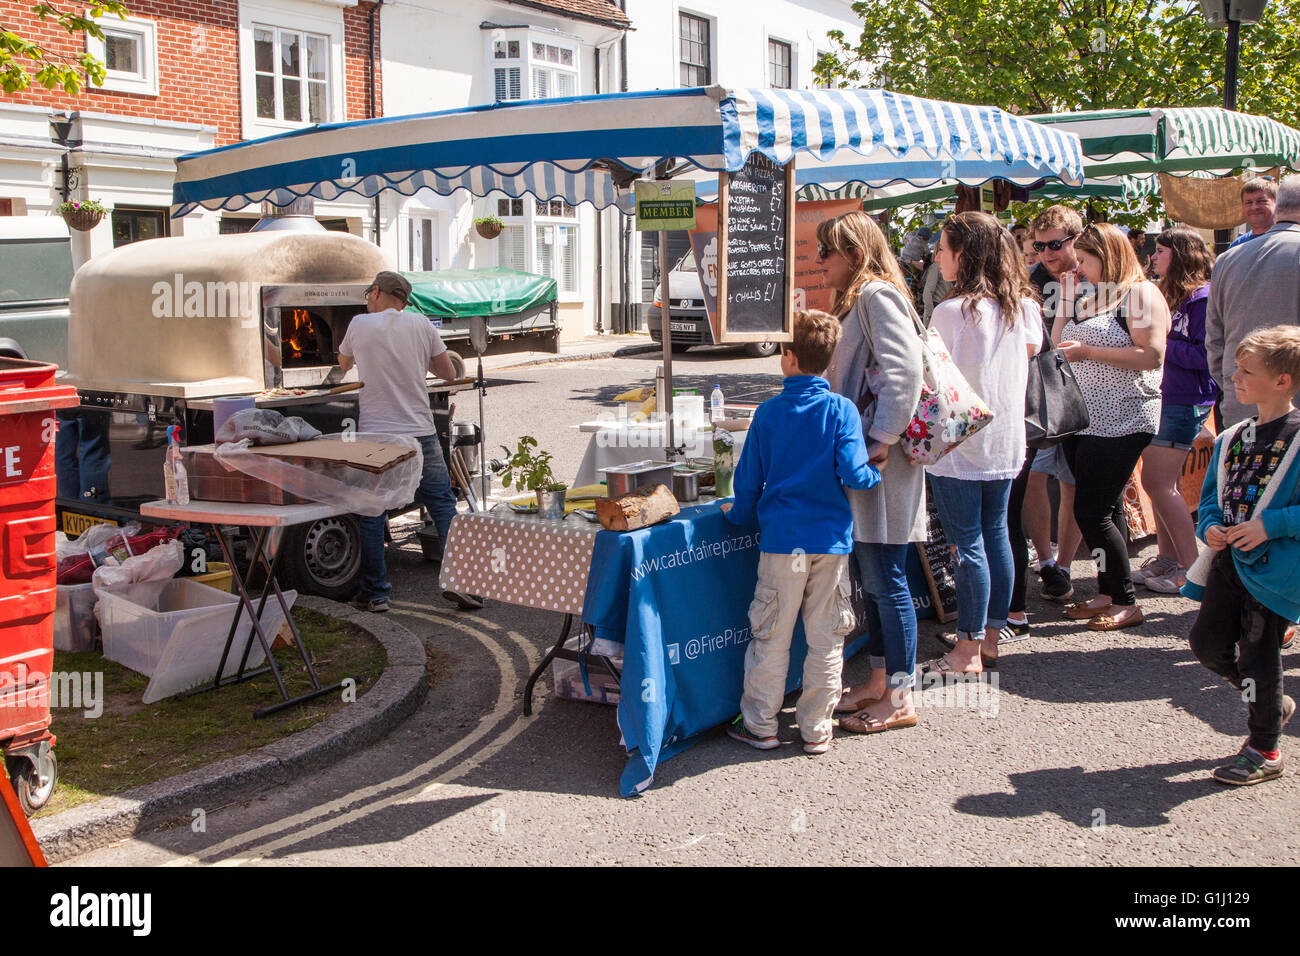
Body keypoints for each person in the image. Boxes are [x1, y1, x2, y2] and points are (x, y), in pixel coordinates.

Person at [722, 310, 881, 754]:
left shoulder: (769, 413)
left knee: (771, 635)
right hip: (829, 542)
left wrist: (737, 517)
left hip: (781, 543)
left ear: (788, 356)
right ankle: (815, 728)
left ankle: (761, 725)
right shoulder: (842, 410)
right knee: (826, 638)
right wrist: (873, 475)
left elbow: (748, 482)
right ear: (828, 362)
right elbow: (854, 473)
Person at [818, 211, 928, 735]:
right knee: (875, 576)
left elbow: (904, 372)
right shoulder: (865, 298)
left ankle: (901, 695)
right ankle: (881, 680)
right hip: (869, 456)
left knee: (887, 578)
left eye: (827, 252)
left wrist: (881, 439)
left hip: (884, 461)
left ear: (855, 255)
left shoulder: (876, 296)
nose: (819, 263)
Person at [920, 212, 1042, 676]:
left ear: (964, 256)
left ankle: (968, 649)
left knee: (966, 543)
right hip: (1007, 437)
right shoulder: (1022, 306)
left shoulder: (952, 311)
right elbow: (1029, 353)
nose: (937, 257)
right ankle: (989, 636)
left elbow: (932, 372)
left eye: (943, 250)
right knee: (996, 536)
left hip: (960, 440)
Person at [1184, 326, 1300, 785]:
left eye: (1247, 371)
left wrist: (1271, 525)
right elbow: (1211, 498)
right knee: (1206, 644)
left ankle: (1265, 748)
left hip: (1275, 573)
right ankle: (1270, 704)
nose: (1235, 377)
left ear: (1283, 381)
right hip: (1230, 563)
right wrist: (1209, 526)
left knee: (1259, 657)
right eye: (1236, 368)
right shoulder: (1233, 436)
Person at [337, 270, 480, 613]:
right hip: (419, 430)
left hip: (376, 433)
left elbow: (342, 365)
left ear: (376, 293)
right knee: (442, 504)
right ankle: (457, 583)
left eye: (369, 293)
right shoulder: (420, 324)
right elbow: (449, 373)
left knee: (373, 512)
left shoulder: (358, 324)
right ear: (403, 300)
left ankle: (376, 595)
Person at [1055, 224, 1168, 630]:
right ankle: (1108, 590)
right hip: (1087, 418)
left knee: (1092, 510)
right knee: (1105, 508)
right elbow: (1059, 345)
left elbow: (1151, 355)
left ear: (1109, 255)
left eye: (1085, 260)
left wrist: (1088, 351)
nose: (1080, 268)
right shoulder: (1096, 295)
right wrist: (1066, 304)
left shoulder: (1140, 294)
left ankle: (1124, 599)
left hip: (1123, 417)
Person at [1134, 227, 1217, 594]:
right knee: (1162, 484)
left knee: (1158, 483)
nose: (1153, 256)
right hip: (1167, 396)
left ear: (1181, 255)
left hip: (1186, 399)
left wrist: (1160, 344)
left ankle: (1191, 568)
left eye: (1162, 250)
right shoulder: (1172, 294)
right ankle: (1170, 559)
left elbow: (1206, 355)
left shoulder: (1202, 299)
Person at [1024, 205, 1086, 603]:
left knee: (1073, 484)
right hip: (1039, 394)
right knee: (1035, 478)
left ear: (1076, 239)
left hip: (1085, 396)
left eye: (1056, 244)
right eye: (1040, 245)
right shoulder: (1028, 282)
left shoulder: (1097, 280)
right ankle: (1047, 564)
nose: (1047, 252)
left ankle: (1065, 563)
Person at [1206, 177, 1300, 427]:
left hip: (1243, 402)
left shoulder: (1228, 259)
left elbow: (1214, 337)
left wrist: (1234, 381)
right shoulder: (1230, 257)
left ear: (1277, 207)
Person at [1228, 176, 1278, 249]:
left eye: (1261, 201)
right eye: (1249, 202)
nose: (1254, 207)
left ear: (1276, 203)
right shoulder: (1237, 245)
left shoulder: (1289, 241)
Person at [920, 256, 951, 325]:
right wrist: (930, 313)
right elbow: (927, 291)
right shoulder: (936, 267)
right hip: (937, 306)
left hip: (945, 308)